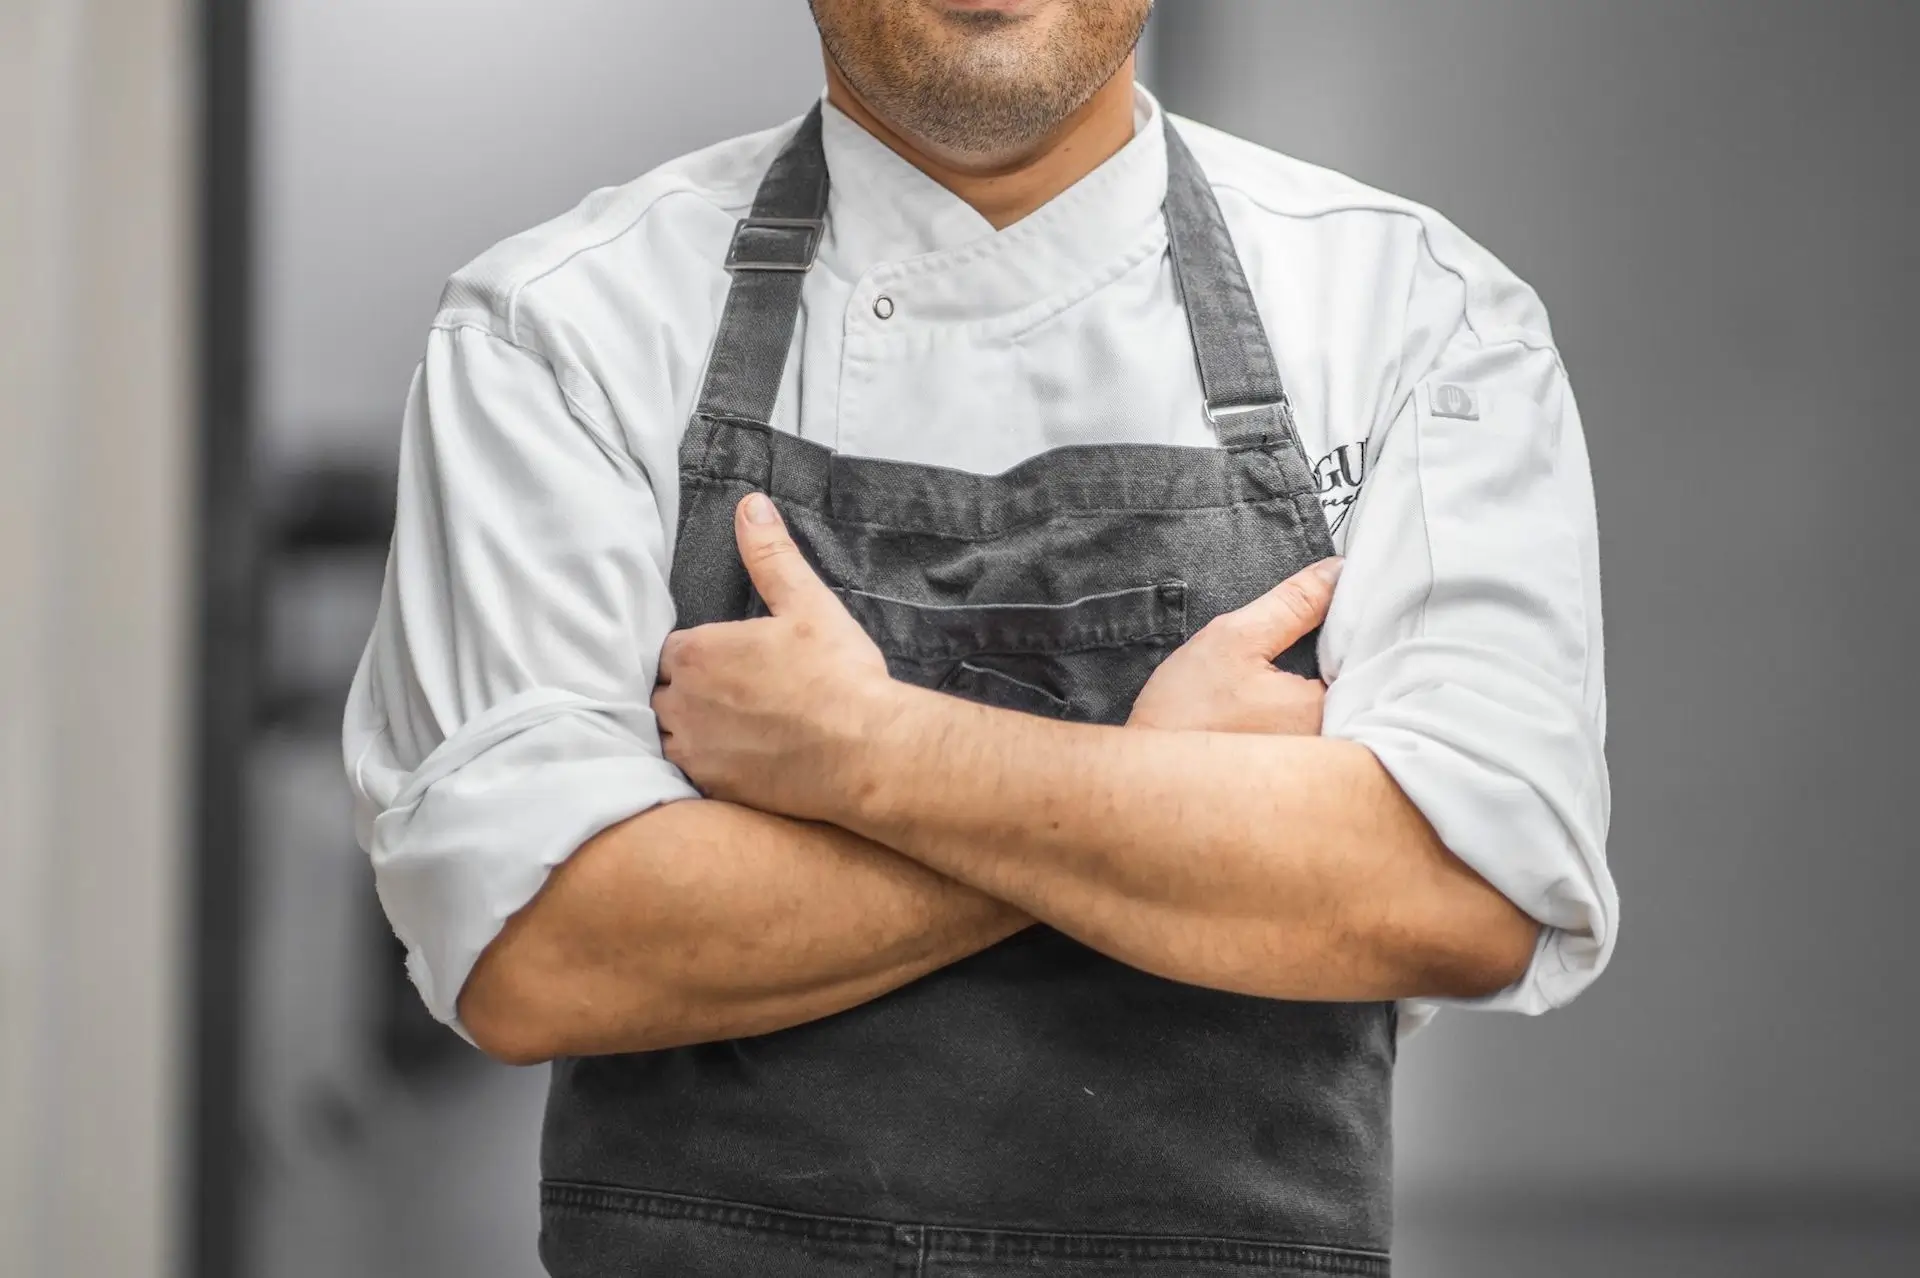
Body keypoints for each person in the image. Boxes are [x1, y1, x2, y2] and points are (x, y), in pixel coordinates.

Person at [343, 1, 1617, 1273]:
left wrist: (873, 756)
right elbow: (539, 948)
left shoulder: (1417, 316)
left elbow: (1463, 891)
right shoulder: (559, 330)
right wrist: (1163, 777)